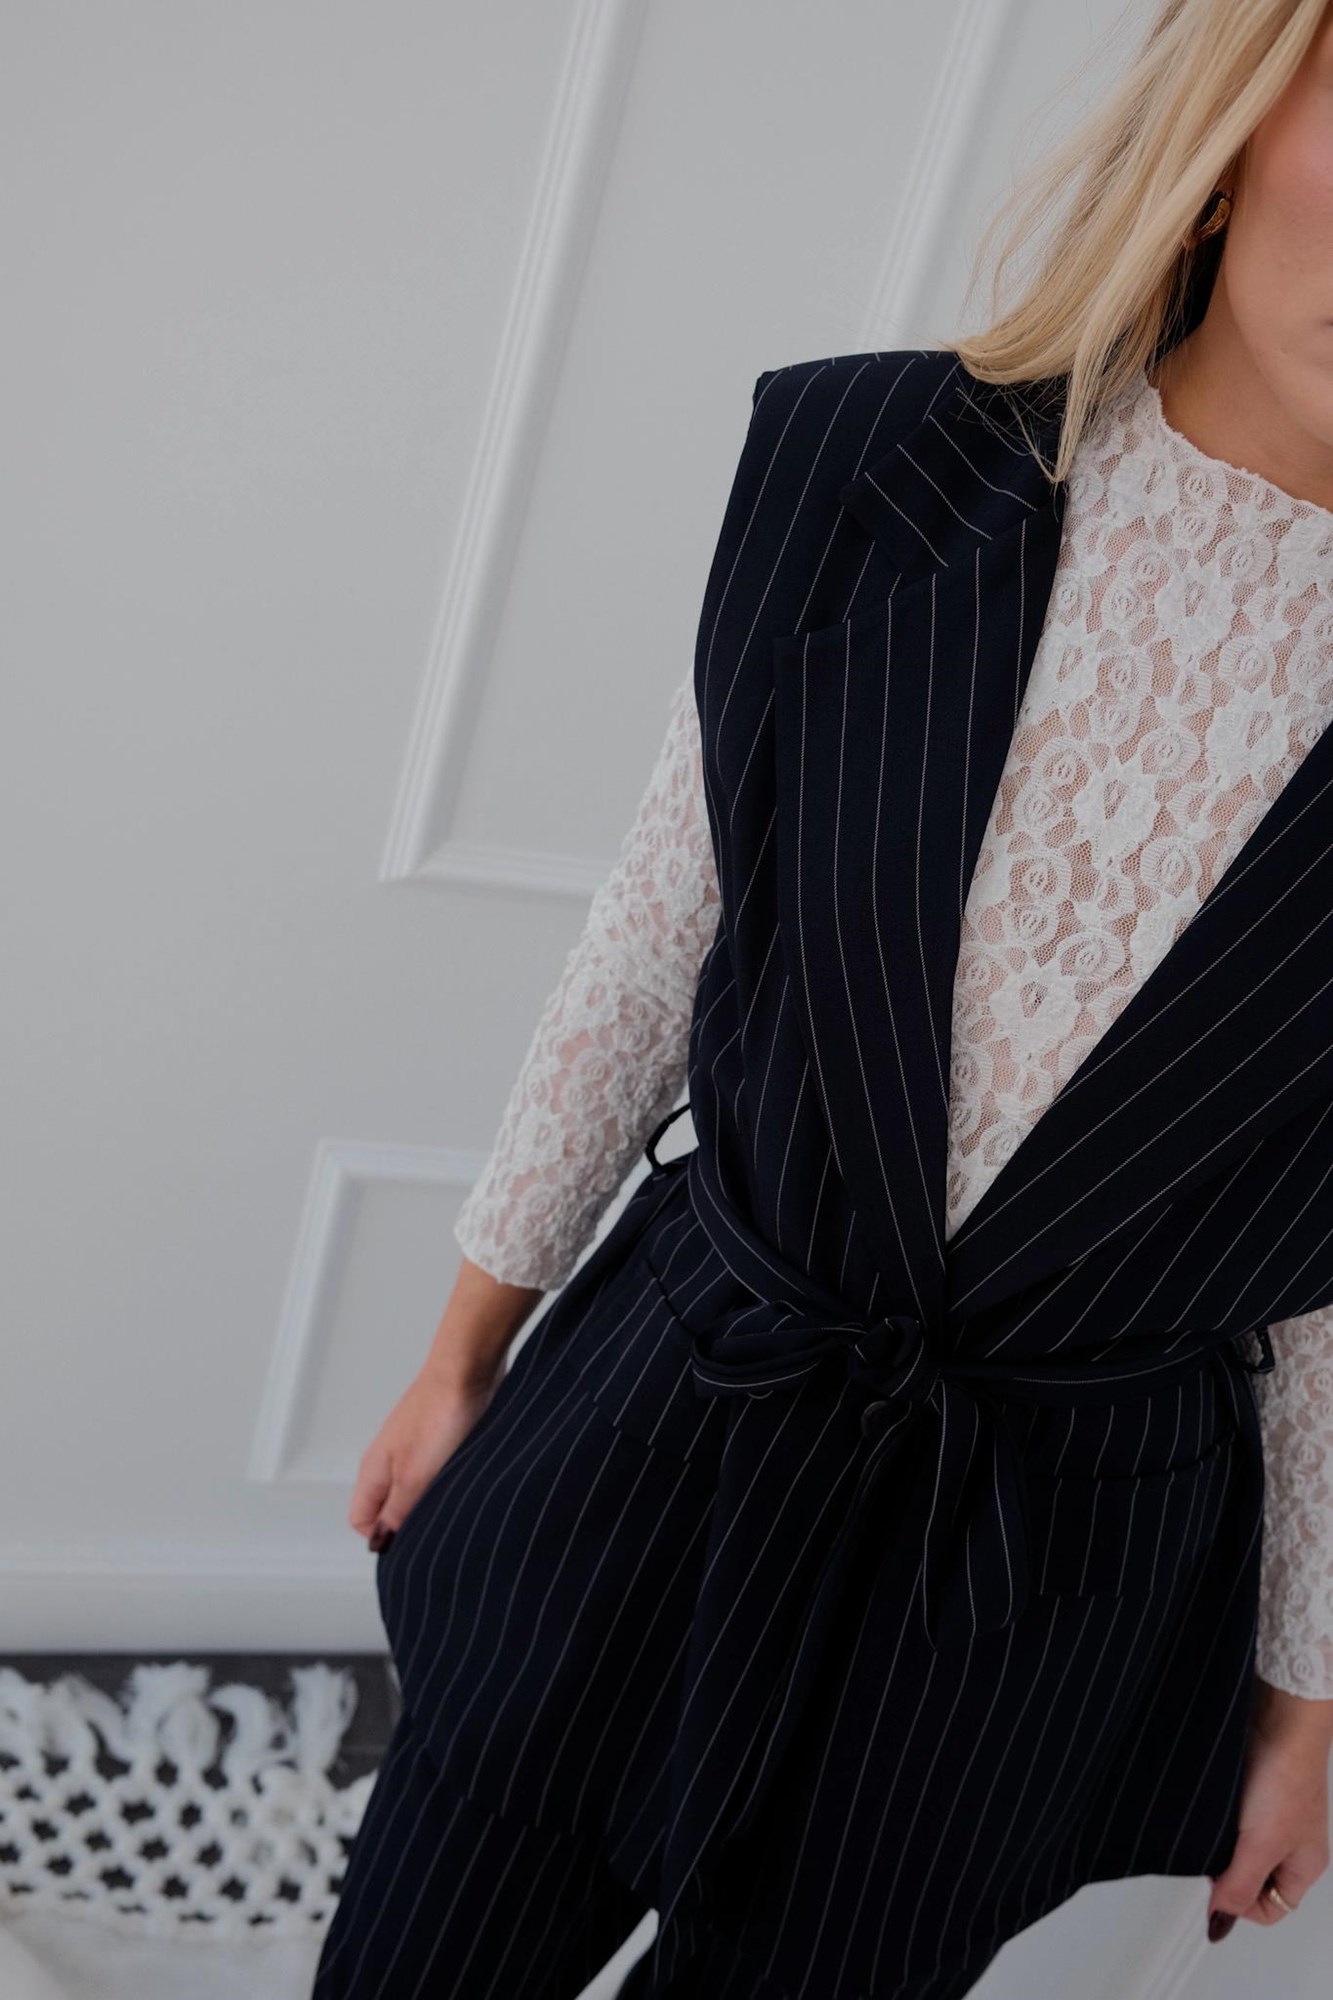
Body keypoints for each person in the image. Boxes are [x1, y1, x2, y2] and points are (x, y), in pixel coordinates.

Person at [312, 1, 1333, 1993]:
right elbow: (652, 935)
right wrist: (462, 1351)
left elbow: (1319, 1298)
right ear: (1228, 119)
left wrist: (1299, 1706)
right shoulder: (885, 468)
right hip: (670, 1415)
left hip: (1029, 1571)